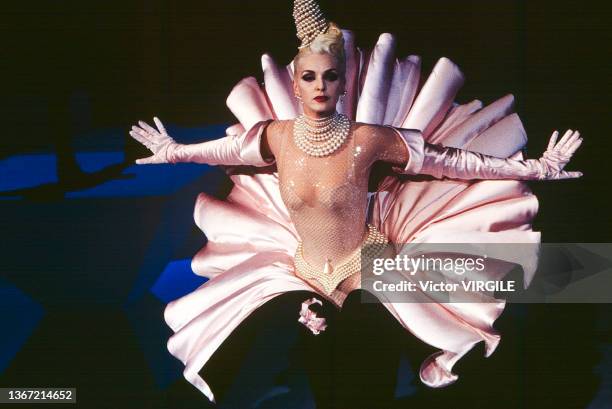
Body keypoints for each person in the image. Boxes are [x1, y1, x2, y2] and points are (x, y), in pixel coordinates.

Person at [129, 1, 583, 407]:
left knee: (367, 380)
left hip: (368, 269)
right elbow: (223, 151)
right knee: (322, 383)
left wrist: (537, 168)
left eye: (330, 76)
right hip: (301, 273)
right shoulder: (277, 137)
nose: (321, 86)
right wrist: (175, 150)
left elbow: (456, 163)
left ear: (343, 81)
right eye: (309, 77)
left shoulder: (367, 140)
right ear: (296, 82)